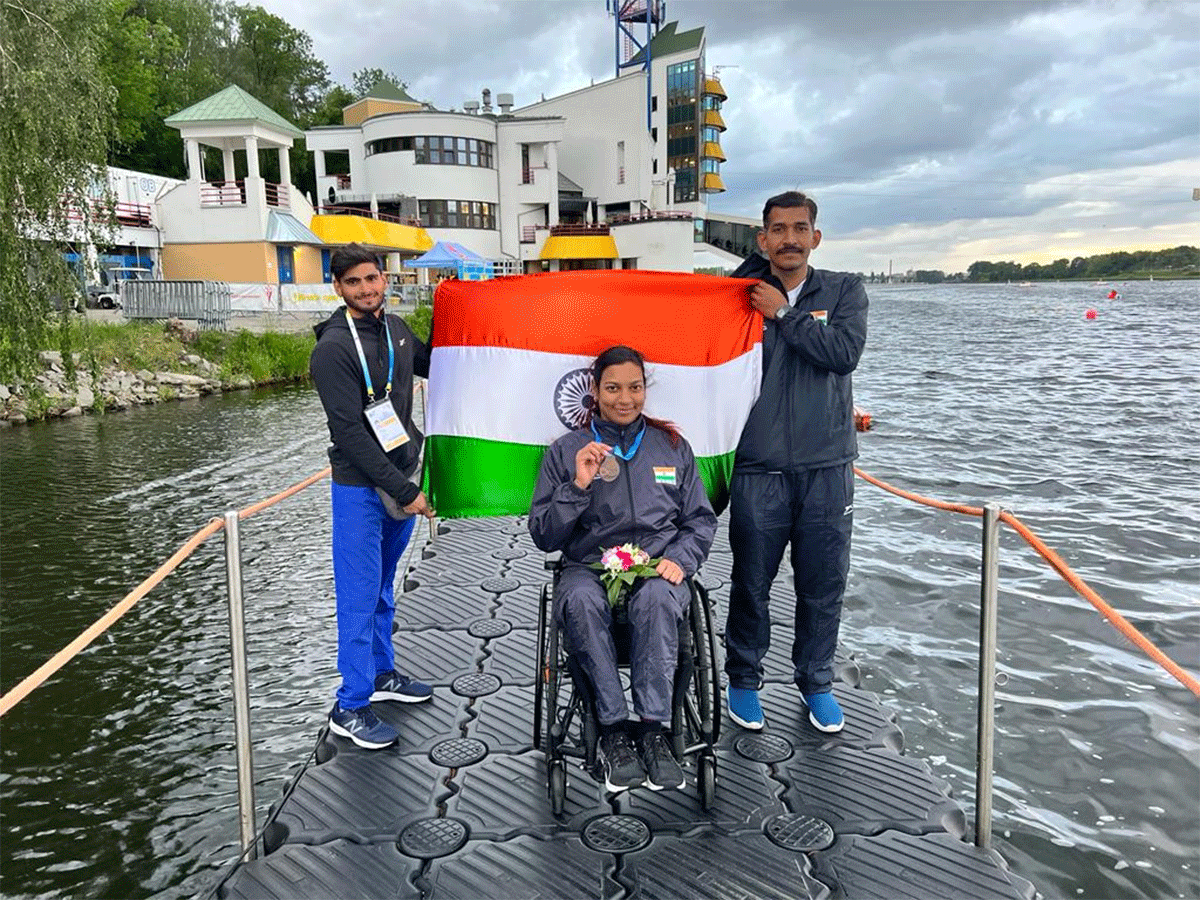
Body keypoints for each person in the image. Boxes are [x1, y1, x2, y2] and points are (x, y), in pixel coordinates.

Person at [529, 346, 717, 791]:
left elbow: (700, 521)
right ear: (594, 390)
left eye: (634, 387)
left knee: (656, 599)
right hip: (589, 566)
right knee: (577, 599)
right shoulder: (567, 451)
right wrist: (577, 485)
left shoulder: (670, 446)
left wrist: (681, 559)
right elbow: (543, 535)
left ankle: (654, 729)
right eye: (613, 388)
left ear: (645, 389)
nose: (625, 398)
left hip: (656, 565)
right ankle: (613, 731)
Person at [724, 191, 868, 734]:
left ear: (816, 237)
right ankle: (744, 677)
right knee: (751, 581)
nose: (789, 239)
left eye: (799, 228)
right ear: (762, 240)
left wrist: (782, 314)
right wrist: (755, 284)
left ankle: (816, 682)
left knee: (822, 583)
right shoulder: (740, 295)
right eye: (777, 230)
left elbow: (841, 354)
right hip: (758, 467)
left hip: (827, 467)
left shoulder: (845, 291)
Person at [310, 243, 438, 750]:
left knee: (384, 586)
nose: (366, 289)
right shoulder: (333, 350)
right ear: (338, 288)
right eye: (354, 283)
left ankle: (382, 674)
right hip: (363, 489)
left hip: (402, 473)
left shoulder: (397, 332)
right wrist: (406, 491)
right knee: (359, 596)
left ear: (384, 279)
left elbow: (446, 361)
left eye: (372, 278)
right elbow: (350, 435)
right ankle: (351, 703)